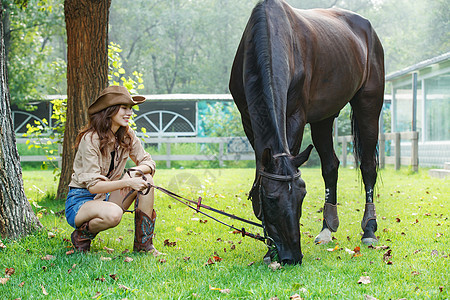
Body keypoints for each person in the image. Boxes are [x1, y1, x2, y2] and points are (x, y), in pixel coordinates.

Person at [65, 85, 160, 255]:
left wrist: (136, 171)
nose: (129, 112)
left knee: (147, 179)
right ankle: (81, 236)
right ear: (109, 110)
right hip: (81, 202)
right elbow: (93, 187)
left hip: (107, 197)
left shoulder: (126, 134)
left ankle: (144, 246)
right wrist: (128, 181)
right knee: (114, 214)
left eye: (130, 108)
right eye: (124, 107)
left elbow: (148, 162)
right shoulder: (91, 139)